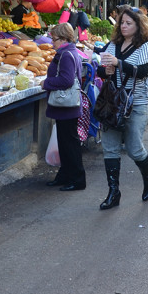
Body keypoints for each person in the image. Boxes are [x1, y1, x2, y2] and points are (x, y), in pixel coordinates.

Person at [97, 6, 148, 209]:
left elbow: (142, 72)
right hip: (112, 102)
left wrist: (117, 63)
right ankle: (113, 192)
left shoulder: (147, 47)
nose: (123, 26)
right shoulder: (113, 44)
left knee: (134, 149)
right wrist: (105, 69)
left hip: (137, 104)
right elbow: (102, 69)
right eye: (121, 22)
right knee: (110, 148)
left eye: (128, 23)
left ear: (138, 26)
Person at [43, 23, 86, 191]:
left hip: (67, 107)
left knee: (70, 144)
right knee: (65, 143)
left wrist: (46, 83)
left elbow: (66, 80)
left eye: (54, 39)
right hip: (66, 108)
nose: (52, 42)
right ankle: (66, 175)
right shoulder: (69, 52)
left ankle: (77, 179)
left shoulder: (66, 54)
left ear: (63, 39)